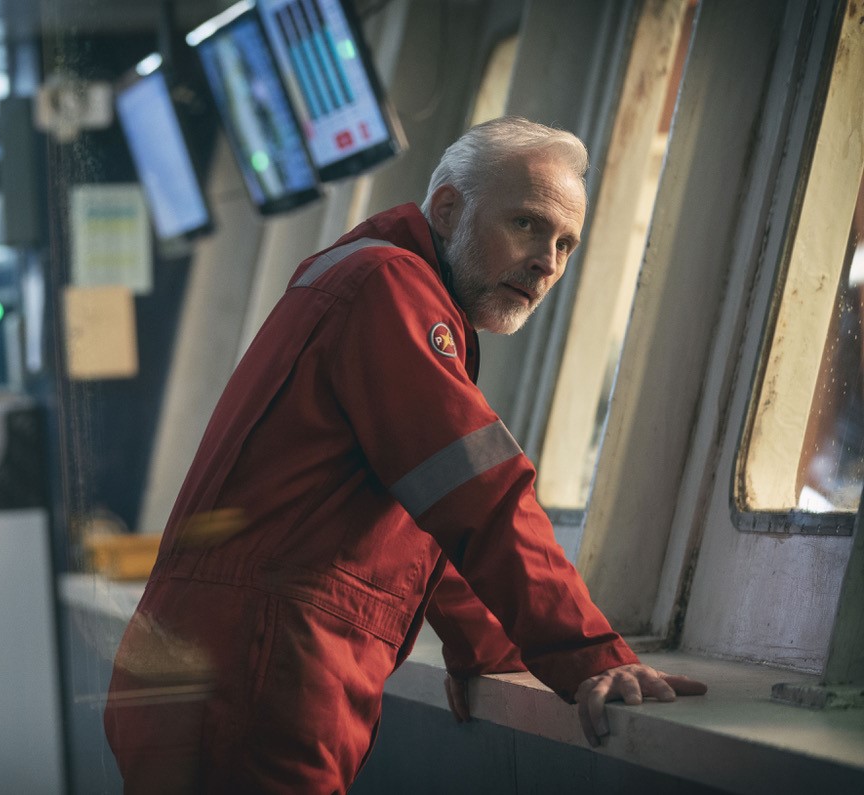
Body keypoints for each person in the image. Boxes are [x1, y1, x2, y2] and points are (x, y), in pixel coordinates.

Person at [103, 117, 707, 793]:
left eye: (566, 243)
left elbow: (416, 508)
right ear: (447, 208)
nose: (548, 261)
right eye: (528, 225)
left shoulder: (356, 275)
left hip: (210, 666)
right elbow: (481, 491)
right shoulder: (388, 287)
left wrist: (484, 646)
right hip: (258, 675)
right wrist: (589, 654)